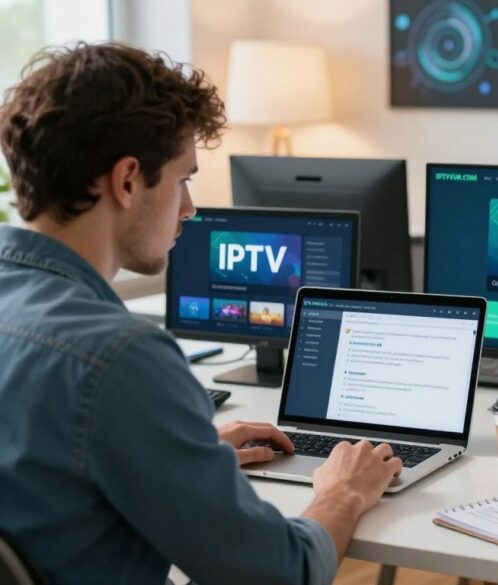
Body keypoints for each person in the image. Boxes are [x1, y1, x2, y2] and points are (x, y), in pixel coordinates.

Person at [0, 43, 402, 584]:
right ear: (126, 181)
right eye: (183, 179)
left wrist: (179, 460)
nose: (189, 207)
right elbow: (283, 574)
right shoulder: (122, 359)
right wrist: (345, 492)